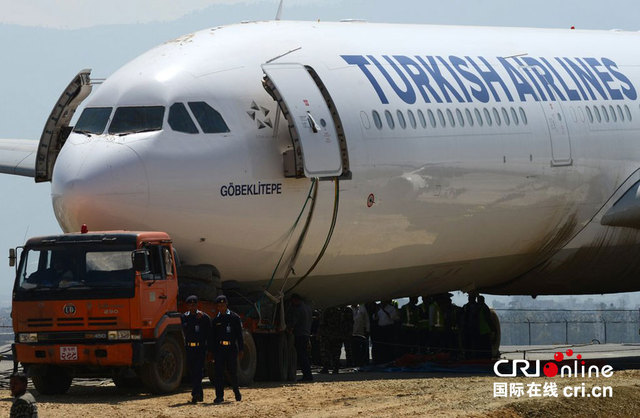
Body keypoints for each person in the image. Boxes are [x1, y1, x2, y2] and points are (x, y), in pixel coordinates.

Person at [210, 294, 243, 404]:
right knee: (218, 373)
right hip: (220, 350)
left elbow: (239, 335)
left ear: (226, 305)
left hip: (231, 349)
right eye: (219, 305)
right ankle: (219, 396)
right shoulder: (216, 320)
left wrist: (241, 349)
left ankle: (236, 392)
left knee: (232, 372)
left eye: (223, 305)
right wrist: (212, 352)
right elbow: (213, 338)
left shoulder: (234, 318)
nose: (221, 307)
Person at [181, 295, 211, 403]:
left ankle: (195, 394)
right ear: (187, 306)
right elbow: (185, 328)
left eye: (194, 304)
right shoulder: (184, 317)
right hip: (190, 348)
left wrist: (209, 350)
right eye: (190, 304)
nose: (192, 306)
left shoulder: (204, 317)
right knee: (193, 372)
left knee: (198, 371)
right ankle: (200, 394)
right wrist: (194, 319)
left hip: (200, 348)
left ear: (197, 305)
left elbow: (209, 334)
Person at [288, 293, 313, 382]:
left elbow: (294, 321)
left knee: (302, 356)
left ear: (295, 300)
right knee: (305, 355)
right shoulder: (308, 308)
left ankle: (307, 376)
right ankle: (308, 375)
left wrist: (289, 329)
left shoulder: (298, 309)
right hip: (306, 334)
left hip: (300, 334)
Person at [317, 306, 342, 374]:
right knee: (336, 352)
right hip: (336, 335)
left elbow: (322, 324)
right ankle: (336, 368)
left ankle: (326, 368)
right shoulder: (339, 312)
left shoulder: (325, 311)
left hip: (327, 335)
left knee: (325, 352)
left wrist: (319, 334)